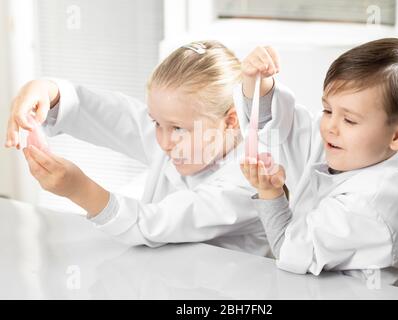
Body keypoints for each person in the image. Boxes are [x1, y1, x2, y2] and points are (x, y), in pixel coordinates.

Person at [4, 41, 271, 256]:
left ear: (231, 121)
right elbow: (108, 113)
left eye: (178, 128)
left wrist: (79, 189)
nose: (164, 142)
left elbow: (154, 223)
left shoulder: (251, 179)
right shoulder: (181, 136)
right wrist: (47, 91)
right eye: (156, 122)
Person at [238, 38, 398, 285]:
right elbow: (275, 125)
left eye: (350, 120)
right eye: (327, 110)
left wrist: (270, 193)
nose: (330, 126)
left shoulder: (369, 202)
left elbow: (288, 251)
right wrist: (257, 81)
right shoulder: (349, 145)